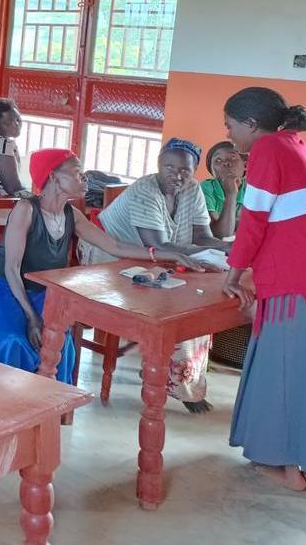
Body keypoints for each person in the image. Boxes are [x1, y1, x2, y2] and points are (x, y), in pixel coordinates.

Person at [0, 149, 204, 383]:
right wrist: (32, 317)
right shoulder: (26, 210)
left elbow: (115, 246)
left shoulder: (72, 214)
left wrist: (163, 254)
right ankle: (6, 405)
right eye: (78, 172)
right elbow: (11, 269)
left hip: (39, 289)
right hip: (2, 285)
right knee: (11, 339)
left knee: (59, 340)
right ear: (54, 177)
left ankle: (50, 407)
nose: (85, 178)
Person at [221, 87, 306, 498]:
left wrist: (232, 274)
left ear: (251, 125)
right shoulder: (296, 144)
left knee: (285, 370)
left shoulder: (267, 149)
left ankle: (290, 467)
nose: (228, 133)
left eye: (230, 125)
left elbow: (254, 222)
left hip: (297, 283)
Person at [79, 138, 231, 413]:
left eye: (185, 169)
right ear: (158, 164)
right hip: (109, 257)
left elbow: (203, 237)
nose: (176, 174)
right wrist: (202, 253)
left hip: (154, 258)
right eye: (168, 166)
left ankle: (174, 377)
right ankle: (163, 374)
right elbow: (157, 247)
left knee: (194, 300)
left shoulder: (193, 190)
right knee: (173, 301)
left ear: (195, 169)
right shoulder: (145, 191)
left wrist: (229, 247)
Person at [200, 141, 246, 238]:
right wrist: (231, 194)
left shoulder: (253, 187)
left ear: (245, 165)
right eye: (218, 160)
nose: (226, 163)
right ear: (212, 171)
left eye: (233, 158)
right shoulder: (205, 188)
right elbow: (221, 233)